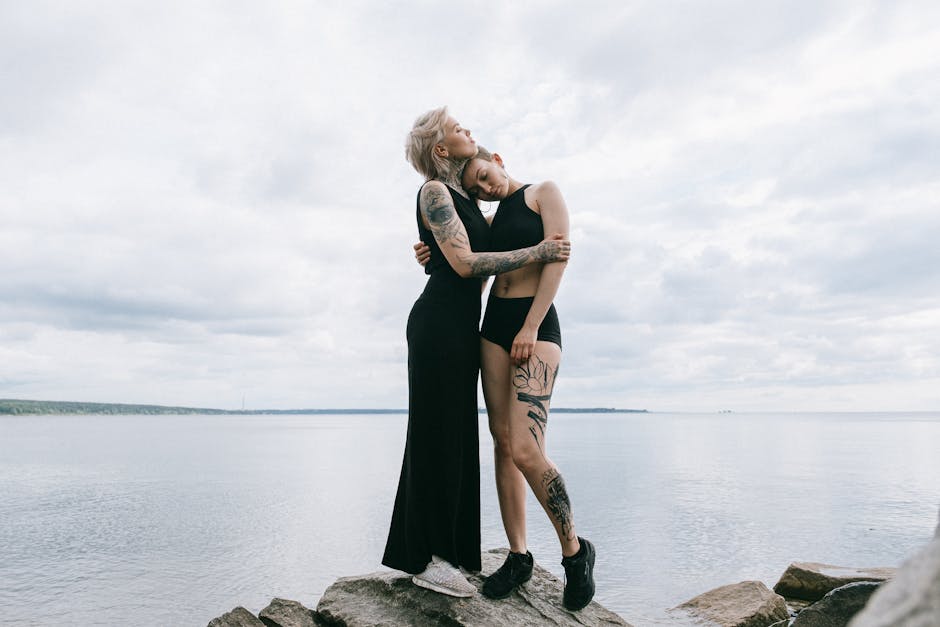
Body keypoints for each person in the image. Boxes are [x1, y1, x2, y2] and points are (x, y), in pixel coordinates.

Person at [382, 107, 571, 599]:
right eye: (457, 129)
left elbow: (467, 247)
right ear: (441, 149)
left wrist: (430, 252)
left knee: (458, 437)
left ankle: (450, 552)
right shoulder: (433, 191)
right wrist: (539, 252)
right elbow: (466, 264)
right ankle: (424, 559)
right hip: (438, 326)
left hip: (464, 328)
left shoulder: (464, 197)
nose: (468, 130)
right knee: (434, 434)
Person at [413, 146, 596, 611]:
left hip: (534, 326)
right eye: (476, 187)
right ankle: (519, 555)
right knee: (502, 442)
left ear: (496, 158)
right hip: (493, 327)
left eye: (483, 174)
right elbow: (470, 257)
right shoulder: (489, 221)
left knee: (527, 449)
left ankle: (575, 552)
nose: (485, 187)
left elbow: (557, 259)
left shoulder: (543, 193)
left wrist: (531, 325)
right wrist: (431, 254)